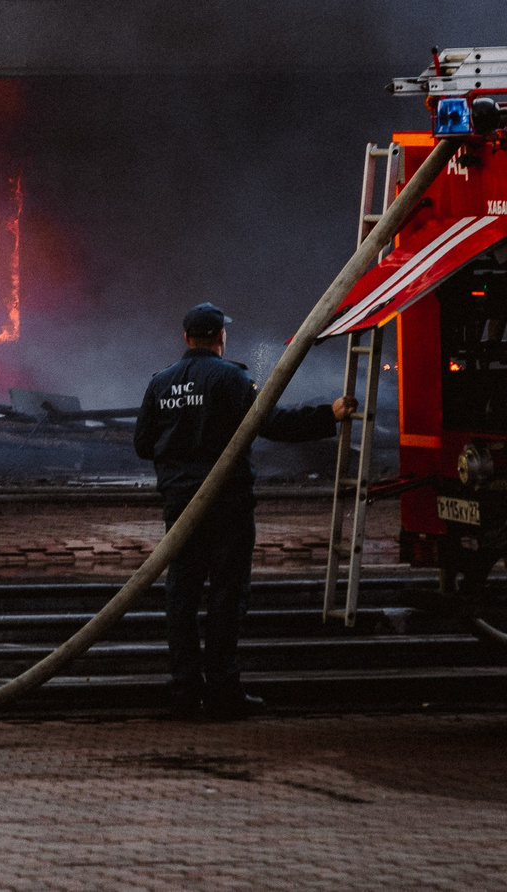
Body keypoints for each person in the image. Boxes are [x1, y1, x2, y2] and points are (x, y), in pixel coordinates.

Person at [133, 302, 354, 719]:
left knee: (181, 596)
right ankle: (222, 692)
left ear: (185, 338)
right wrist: (330, 415)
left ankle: (183, 692)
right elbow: (273, 423)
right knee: (226, 595)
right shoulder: (232, 378)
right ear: (221, 337)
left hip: (180, 506)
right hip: (228, 507)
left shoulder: (159, 383)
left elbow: (143, 445)